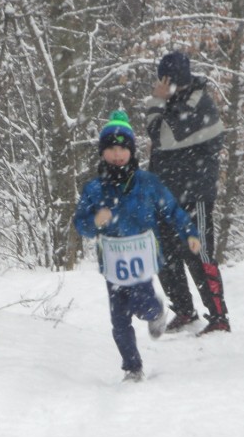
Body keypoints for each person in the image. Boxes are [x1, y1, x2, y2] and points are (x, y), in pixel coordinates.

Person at [75, 111, 201, 382]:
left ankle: (156, 310)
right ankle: (132, 367)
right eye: (111, 148)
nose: (117, 154)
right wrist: (95, 220)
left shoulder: (147, 183)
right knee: (119, 320)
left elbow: (171, 210)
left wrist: (189, 231)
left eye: (123, 148)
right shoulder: (94, 189)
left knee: (141, 304)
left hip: (141, 259)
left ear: (132, 152)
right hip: (112, 264)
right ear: (103, 153)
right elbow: (80, 225)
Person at [145, 51, 231, 336]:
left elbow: (161, 136)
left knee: (199, 252)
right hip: (167, 195)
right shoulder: (175, 102)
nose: (164, 86)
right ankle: (184, 310)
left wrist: (156, 102)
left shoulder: (197, 103)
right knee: (165, 253)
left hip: (195, 194)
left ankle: (218, 317)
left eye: (167, 81)